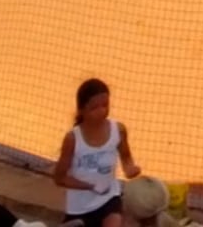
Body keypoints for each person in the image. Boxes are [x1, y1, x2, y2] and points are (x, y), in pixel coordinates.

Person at [53, 78, 142, 227]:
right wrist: (91, 186)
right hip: (79, 207)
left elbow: (126, 157)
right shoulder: (72, 139)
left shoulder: (118, 130)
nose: (102, 111)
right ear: (81, 110)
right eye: (94, 108)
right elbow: (60, 178)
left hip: (109, 199)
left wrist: (130, 169)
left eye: (105, 105)